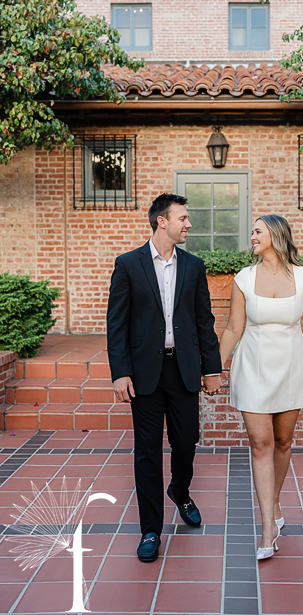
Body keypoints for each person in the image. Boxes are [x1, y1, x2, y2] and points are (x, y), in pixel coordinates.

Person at [107, 193, 222, 563]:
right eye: (183, 218)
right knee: (147, 452)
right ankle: (150, 530)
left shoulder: (193, 265)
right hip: (143, 374)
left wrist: (212, 368)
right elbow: (117, 324)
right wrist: (120, 372)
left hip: (184, 368)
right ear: (162, 221)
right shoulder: (128, 264)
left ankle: (180, 490)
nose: (188, 224)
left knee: (187, 441)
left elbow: (204, 321)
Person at [218, 215, 303, 560]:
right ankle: (267, 526)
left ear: (275, 236)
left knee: (282, 441)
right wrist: (213, 368)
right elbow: (234, 329)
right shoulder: (244, 278)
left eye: (257, 231)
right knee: (261, 443)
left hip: (292, 367)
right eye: (252, 231)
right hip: (252, 366)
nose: (251, 236)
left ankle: (275, 501)